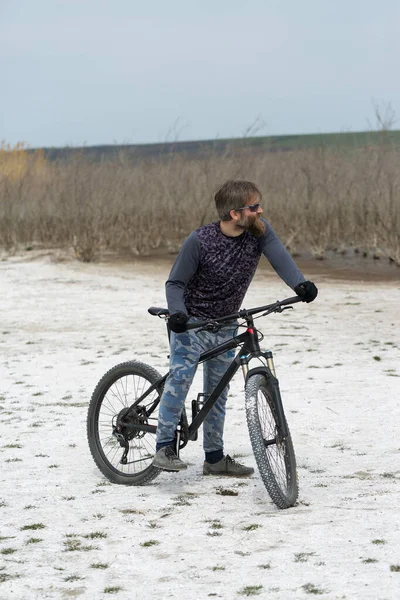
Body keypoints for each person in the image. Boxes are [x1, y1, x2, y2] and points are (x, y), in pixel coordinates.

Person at [152, 179, 317, 476]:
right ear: (233, 213)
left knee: (218, 390)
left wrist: (300, 284)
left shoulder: (260, 232)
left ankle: (214, 458)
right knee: (180, 378)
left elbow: (280, 258)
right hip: (192, 324)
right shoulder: (200, 241)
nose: (260, 210)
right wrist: (178, 314)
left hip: (226, 323)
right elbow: (175, 282)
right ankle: (164, 447)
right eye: (253, 207)